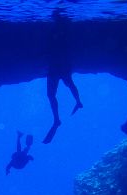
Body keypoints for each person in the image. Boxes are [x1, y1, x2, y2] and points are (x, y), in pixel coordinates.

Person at [42, 10, 83, 144]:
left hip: (55, 67)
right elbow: (66, 48)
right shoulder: (64, 31)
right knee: (70, 84)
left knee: (51, 95)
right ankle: (78, 102)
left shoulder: (54, 31)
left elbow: (51, 48)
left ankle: (57, 119)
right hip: (63, 66)